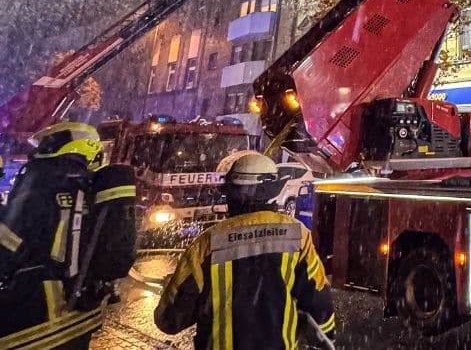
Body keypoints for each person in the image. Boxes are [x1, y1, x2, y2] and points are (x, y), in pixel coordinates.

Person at [155, 152, 337, 349]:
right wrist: (326, 337)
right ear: (271, 191)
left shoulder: (206, 245)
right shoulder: (297, 235)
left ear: (231, 194)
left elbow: (169, 319)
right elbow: (319, 301)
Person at [0, 121, 128, 349]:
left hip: (38, 316)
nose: (36, 152)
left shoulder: (42, 184)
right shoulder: (90, 188)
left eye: (45, 145)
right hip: (80, 315)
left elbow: (7, 246)